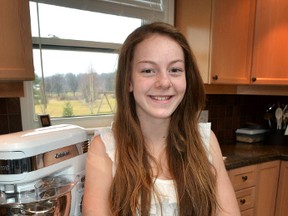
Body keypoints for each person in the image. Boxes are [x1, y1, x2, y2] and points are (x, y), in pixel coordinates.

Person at [82, 22, 240, 216]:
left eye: (175, 70)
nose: (164, 82)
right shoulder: (105, 148)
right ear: (129, 81)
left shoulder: (206, 141)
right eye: (148, 70)